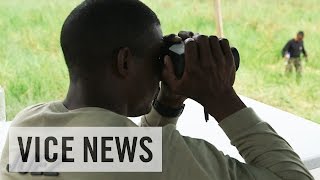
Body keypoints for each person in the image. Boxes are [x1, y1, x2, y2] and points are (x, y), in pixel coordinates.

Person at [0, 0, 314, 179]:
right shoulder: (158, 156)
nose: (160, 72)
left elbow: (117, 151)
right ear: (124, 61)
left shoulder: (25, 128)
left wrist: (167, 103)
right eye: (156, 59)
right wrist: (222, 98)